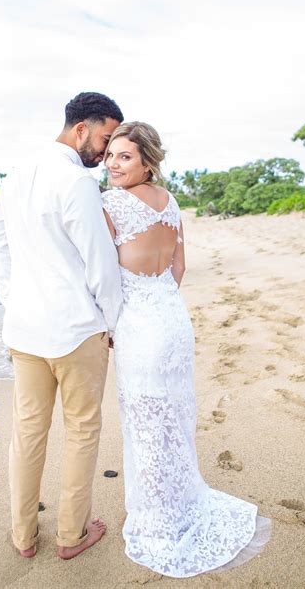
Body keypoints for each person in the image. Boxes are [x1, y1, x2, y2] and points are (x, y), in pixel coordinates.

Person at [102, 122, 271, 578]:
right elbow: (178, 265)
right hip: (173, 321)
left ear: (147, 162)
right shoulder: (171, 202)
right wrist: (158, 304)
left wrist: (119, 321)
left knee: (145, 421)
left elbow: (101, 274)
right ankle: (176, 501)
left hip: (140, 327)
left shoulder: (110, 204)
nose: (113, 164)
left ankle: (160, 521)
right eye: (111, 155)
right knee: (171, 416)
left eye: (125, 157)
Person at [0, 92, 124, 560]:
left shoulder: (15, 174)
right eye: (105, 139)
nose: (105, 154)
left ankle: (23, 537)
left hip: (23, 329)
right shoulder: (76, 181)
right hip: (75, 330)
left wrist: (14, 302)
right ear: (80, 129)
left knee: (27, 431)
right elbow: (100, 263)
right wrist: (112, 322)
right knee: (83, 430)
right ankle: (71, 535)